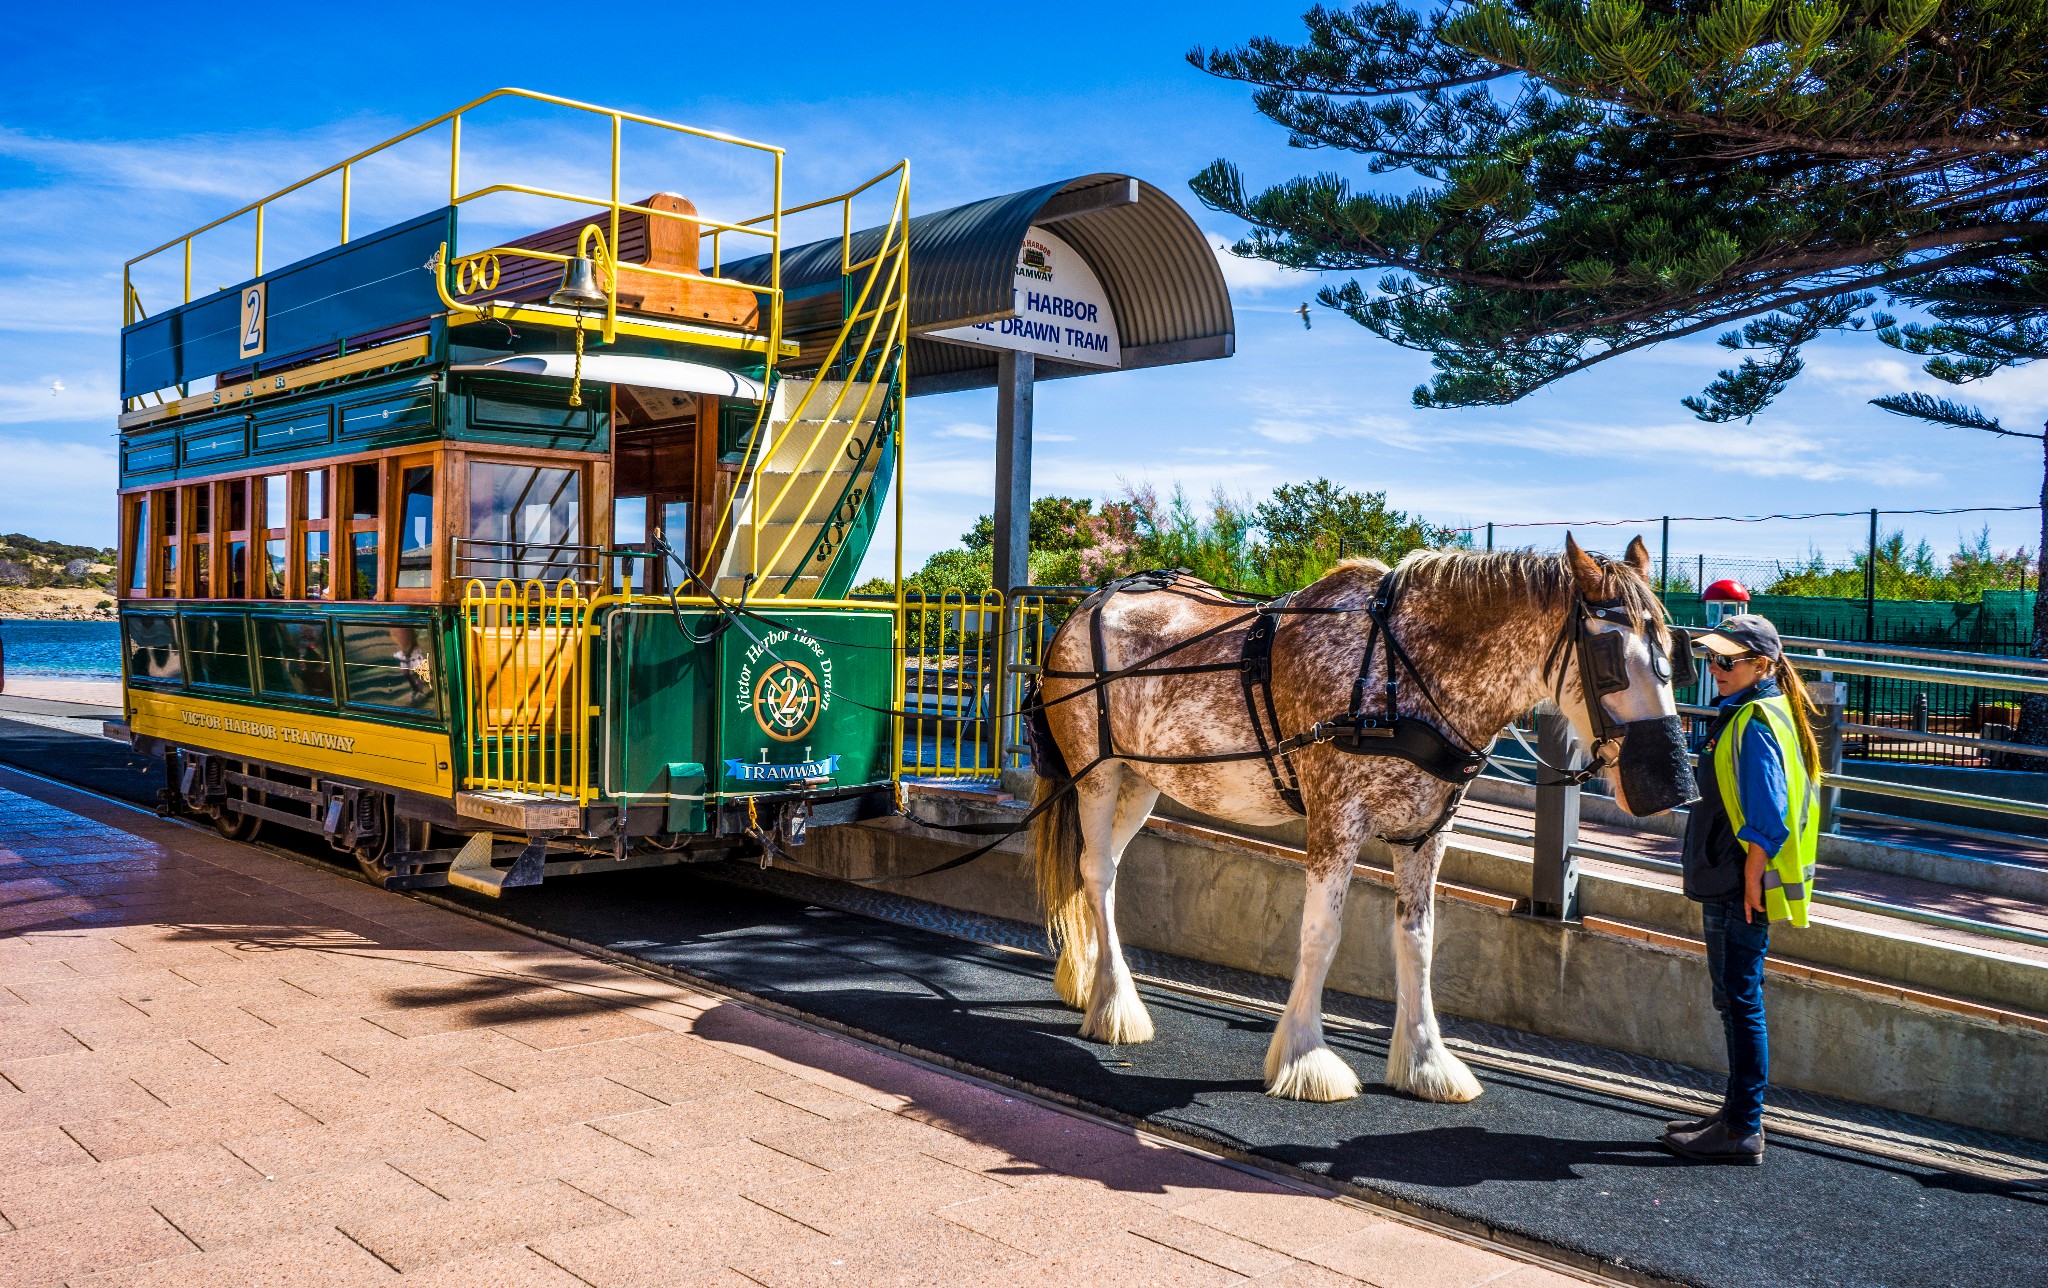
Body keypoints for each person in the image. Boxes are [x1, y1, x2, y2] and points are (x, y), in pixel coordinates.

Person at [1663, 612, 1820, 1165]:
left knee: (1739, 1001)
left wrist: (1753, 872)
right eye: (1712, 658)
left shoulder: (1754, 719)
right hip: (1733, 877)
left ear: (1763, 665)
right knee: (1736, 999)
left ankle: (1742, 1128)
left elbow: (1769, 811)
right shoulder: (1758, 712)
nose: (1716, 668)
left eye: (1728, 660)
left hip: (1737, 884)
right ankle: (1735, 1116)